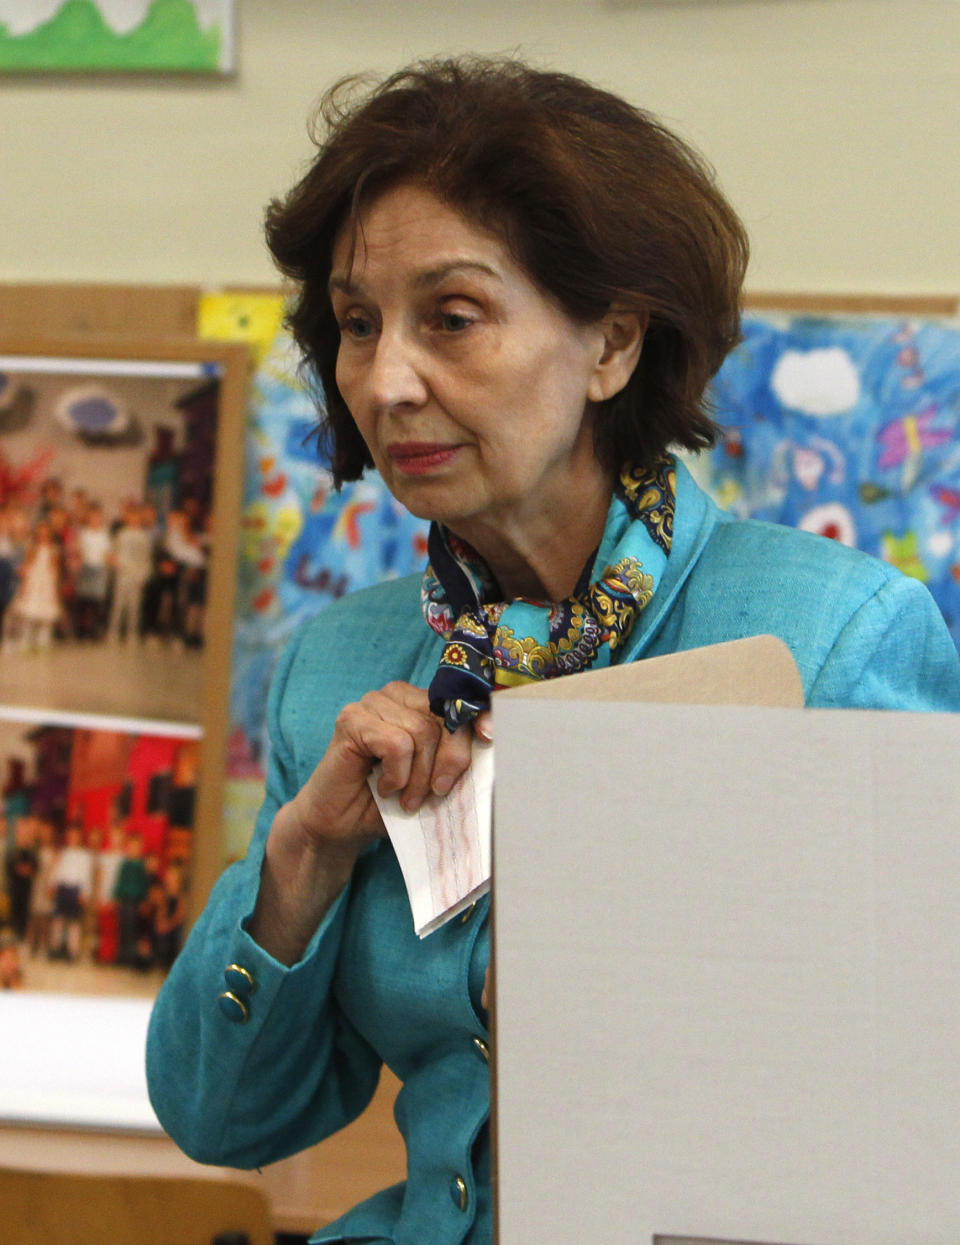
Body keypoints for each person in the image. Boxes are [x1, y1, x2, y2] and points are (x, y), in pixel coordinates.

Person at [147, 57, 960, 1245]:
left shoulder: (829, 636)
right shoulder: (338, 666)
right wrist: (301, 867)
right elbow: (223, 1122)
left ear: (613, 345)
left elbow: (918, 1108)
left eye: (453, 318)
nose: (385, 379)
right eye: (359, 324)